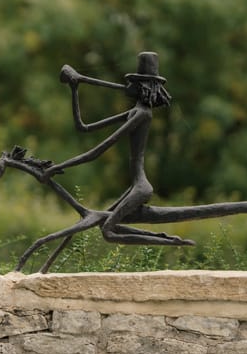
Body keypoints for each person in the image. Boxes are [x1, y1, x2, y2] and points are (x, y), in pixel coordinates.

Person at [41, 52, 192, 246]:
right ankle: (167, 239)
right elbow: (83, 127)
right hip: (134, 186)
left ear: (143, 87)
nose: (128, 86)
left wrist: (57, 167)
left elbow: (95, 152)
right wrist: (74, 89)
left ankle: (171, 242)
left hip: (140, 187)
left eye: (133, 83)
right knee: (105, 223)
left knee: (108, 232)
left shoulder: (143, 114)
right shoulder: (135, 112)